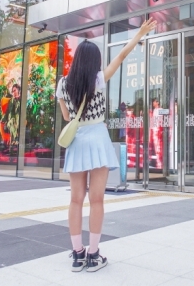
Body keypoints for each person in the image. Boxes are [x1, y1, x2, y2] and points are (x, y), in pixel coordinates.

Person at [57, 18, 157, 273]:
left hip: (77, 141)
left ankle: (77, 254)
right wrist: (139, 33)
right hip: (98, 140)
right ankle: (93, 254)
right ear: (95, 61)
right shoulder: (99, 80)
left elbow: (67, 118)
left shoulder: (62, 84)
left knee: (75, 200)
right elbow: (122, 55)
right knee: (97, 200)